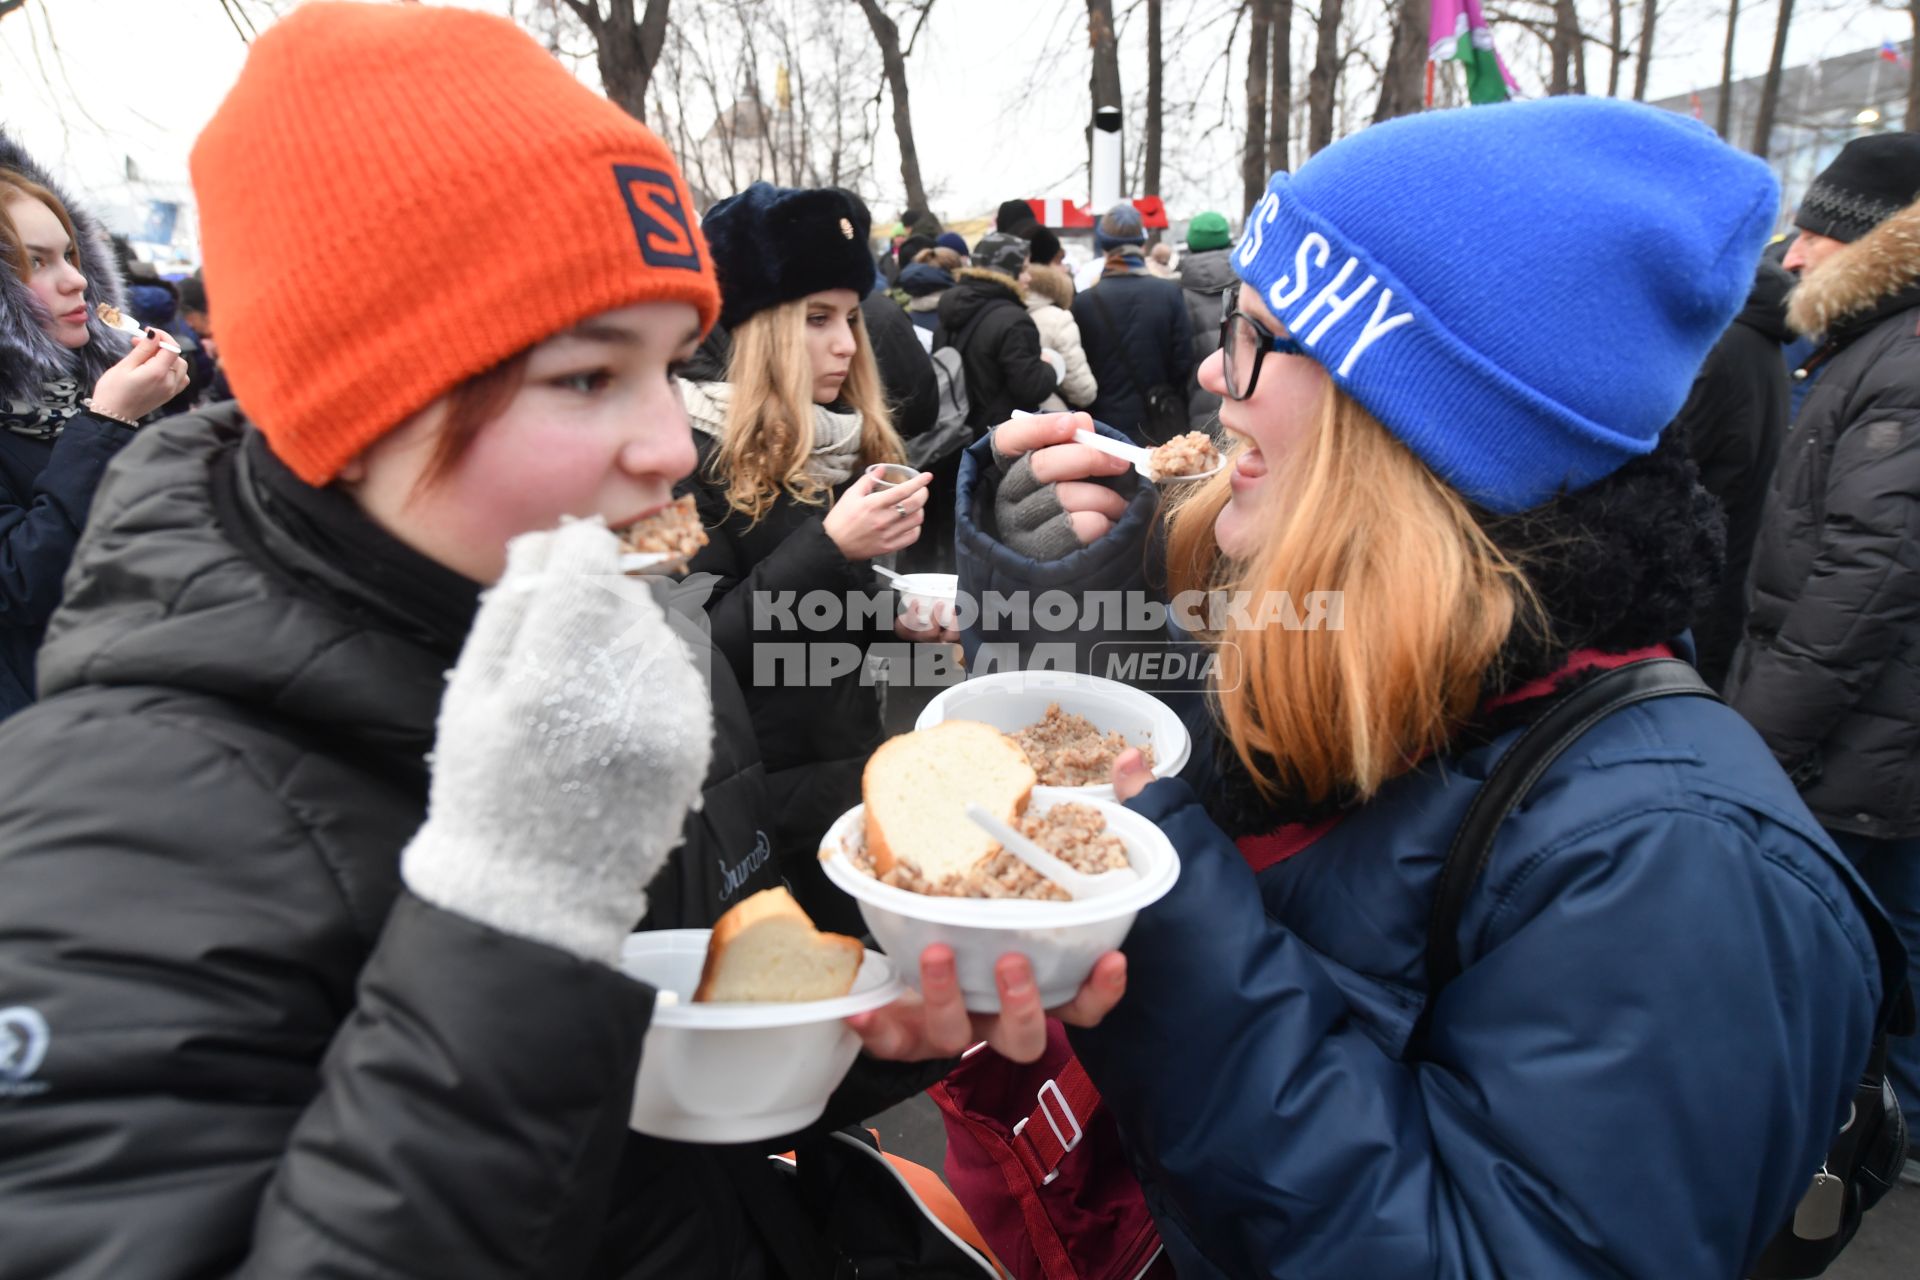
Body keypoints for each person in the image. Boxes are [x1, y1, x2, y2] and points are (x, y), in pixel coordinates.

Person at [0, 8, 1114, 1275]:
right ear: (368, 399)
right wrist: (517, 913)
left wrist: (857, 1031)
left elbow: (632, 1137)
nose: (659, 444)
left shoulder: (603, 619)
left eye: (661, 366)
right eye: (589, 377)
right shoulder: (102, 834)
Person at [953, 98, 1898, 1277]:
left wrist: (1166, 913)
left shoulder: (1683, 863)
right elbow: (1207, 767)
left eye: (1254, 334)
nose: (1210, 369)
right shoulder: (1356, 642)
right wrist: (1069, 596)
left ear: (1406, 421)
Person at [1727, 130, 1920, 1174]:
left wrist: (1759, 737)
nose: (1793, 257)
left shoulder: (1904, 360)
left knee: (1878, 933)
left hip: (1865, 733)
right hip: (1862, 722)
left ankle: (1869, 1145)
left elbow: (1869, 578)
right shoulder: (1872, 350)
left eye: (1818, 236)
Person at [679, 180, 946, 933]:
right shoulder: (680, 456)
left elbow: (810, 621)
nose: (848, 345)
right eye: (817, 319)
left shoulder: (820, 442)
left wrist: (898, 621)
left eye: (854, 318)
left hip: (844, 775)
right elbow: (692, 647)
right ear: (757, 328)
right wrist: (831, 546)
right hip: (760, 818)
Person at [0, 135, 191, 721]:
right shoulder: (94, 411)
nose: (75, 281)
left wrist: (167, 418)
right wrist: (107, 422)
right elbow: (18, 582)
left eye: (70, 256)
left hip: (145, 702)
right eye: (37, 262)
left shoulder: (86, 391)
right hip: (45, 736)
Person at [1673, 258, 1792, 690]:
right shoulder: (1761, 342)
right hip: (1733, 557)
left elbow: (1674, 454)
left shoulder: (1722, 344)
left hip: (1697, 569)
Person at [1071, 201, 1194, 444]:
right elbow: (1183, 362)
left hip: (1104, 430)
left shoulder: (1083, 303)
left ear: (1103, 243)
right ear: (1142, 241)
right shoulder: (1168, 293)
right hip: (1160, 422)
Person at [935, 231, 1058, 429]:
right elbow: (1031, 389)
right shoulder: (1014, 320)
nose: (1028, 277)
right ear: (1008, 271)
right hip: (1000, 435)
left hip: (957, 431)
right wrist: (1047, 368)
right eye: (1024, 269)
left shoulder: (950, 307)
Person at [1178, 209, 1235, 428]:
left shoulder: (1176, 293)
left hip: (1194, 402)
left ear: (1190, 244)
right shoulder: (1252, 289)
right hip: (1243, 398)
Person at [1022, 261, 1097, 412]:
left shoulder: (1011, 311)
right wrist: (1088, 396)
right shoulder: (1058, 318)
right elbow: (1078, 383)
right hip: (1051, 409)